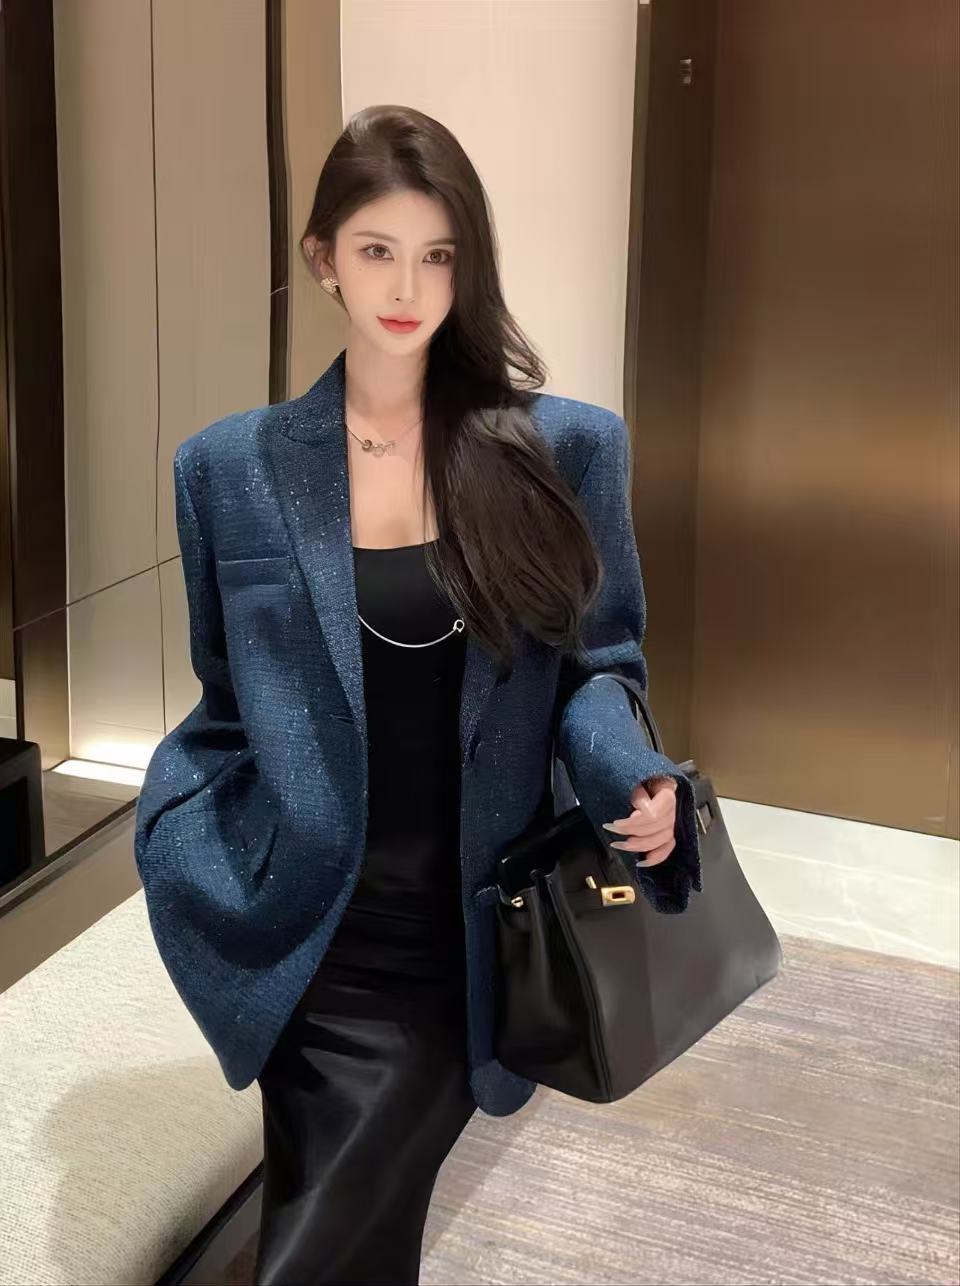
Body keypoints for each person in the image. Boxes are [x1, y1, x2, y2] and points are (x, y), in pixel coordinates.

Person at [134, 104, 699, 1286]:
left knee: (319, 1249)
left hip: (465, 935)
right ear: (323, 258)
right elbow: (226, 699)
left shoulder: (562, 450)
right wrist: (181, 833)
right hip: (303, 930)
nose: (408, 286)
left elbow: (599, 664)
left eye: (439, 253)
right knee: (345, 1235)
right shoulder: (228, 468)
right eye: (378, 249)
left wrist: (629, 773)